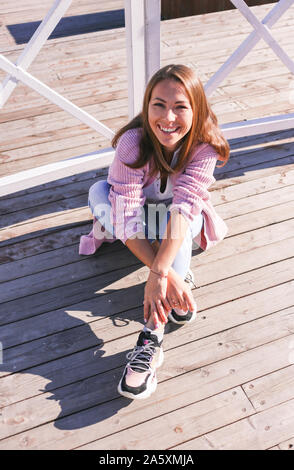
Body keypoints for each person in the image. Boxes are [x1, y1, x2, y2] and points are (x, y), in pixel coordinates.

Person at [79, 64, 230, 400]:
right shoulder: (133, 142)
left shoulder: (204, 146)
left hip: (176, 220)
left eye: (180, 106)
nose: (168, 117)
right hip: (138, 217)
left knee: (181, 219)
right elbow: (126, 212)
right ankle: (179, 282)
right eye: (158, 104)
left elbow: (185, 206)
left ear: (197, 109)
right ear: (147, 106)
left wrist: (159, 272)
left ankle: (152, 335)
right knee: (98, 193)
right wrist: (167, 276)